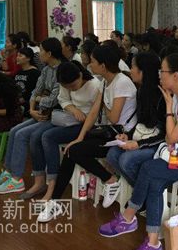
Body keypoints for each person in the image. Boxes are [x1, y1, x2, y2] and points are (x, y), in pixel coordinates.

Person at [97, 53, 178, 250]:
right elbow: (172, 139)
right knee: (154, 180)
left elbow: (171, 138)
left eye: (162, 71)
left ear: (175, 75)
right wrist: (170, 105)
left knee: (148, 168)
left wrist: (169, 108)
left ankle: (128, 217)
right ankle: (153, 242)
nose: (159, 75)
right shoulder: (177, 97)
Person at [37, 45, 137, 220]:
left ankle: (110, 180)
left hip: (123, 137)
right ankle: (54, 202)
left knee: (74, 151)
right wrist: (80, 137)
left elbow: (113, 118)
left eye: (93, 61)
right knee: (71, 149)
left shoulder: (121, 82)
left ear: (103, 65)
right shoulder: (105, 82)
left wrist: (102, 102)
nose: (89, 65)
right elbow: (93, 113)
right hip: (109, 133)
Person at [0, 61, 99, 197]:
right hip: (66, 118)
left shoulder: (94, 85)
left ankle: (52, 184)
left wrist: (79, 119)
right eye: (67, 87)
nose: (71, 89)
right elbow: (63, 99)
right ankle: (39, 181)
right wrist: (73, 109)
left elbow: (95, 114)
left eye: (73, 86)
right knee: (34, 136)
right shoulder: (61, 77)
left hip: (85, 124)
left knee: (47, 137)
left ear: (80, 75)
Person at [0, 38, 63, 192]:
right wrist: (32, 109)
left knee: (22, 134)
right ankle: (8, 172)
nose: (39, 54)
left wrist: (39, 100)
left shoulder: (62, 70)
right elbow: (35, 92)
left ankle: (17, 179)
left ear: (49, 53)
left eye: (41, 50)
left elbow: (53, 99)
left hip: (55, 115)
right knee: (14, 131)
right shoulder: (46, 70)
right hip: (40, 112)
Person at [105, 52, 166, 199]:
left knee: (127, 160)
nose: (130, 70)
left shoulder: (162, 95)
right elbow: (141, 123)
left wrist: (138, 144)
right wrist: (127, 136)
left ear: (142, 71)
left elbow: (165, 133)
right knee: (112, 155)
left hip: (159, 143)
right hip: (144, 137)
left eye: (132, 66)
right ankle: (144, 194)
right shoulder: (142, 91)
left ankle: (144, 197)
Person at [13, 47, 40, 117]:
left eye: (20, 56)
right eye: (17, 55)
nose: (17, 58)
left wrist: (23, 99)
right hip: (18, 102)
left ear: (28, 58)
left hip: (29, 105)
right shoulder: (19, 72)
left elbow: (35, 91)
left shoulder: (35, 73)